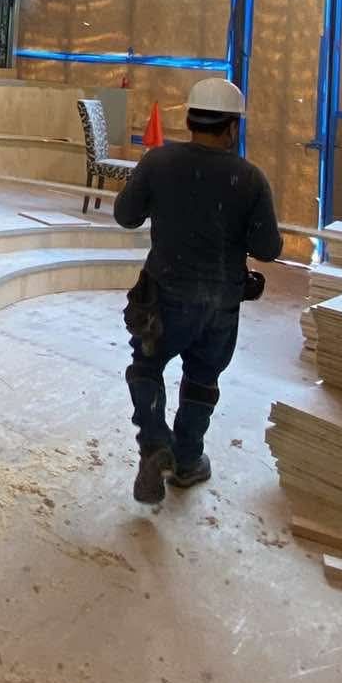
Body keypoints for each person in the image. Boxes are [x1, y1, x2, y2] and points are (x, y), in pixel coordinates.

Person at [113, 77, 282, 505]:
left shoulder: (159, 161)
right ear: (232, 128)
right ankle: (188, 461)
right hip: (221, 304)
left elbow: (126, 216)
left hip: (164, 299)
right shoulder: (250, 179)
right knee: (202, 379)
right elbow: (268, 249)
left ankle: (155, 443)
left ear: (189, 119)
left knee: (147, 367)